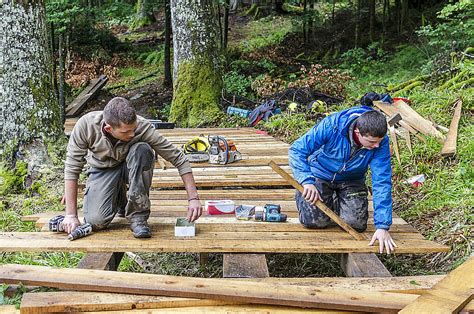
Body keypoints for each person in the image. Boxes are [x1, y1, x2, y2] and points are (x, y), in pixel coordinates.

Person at [62, 97, 202, 238]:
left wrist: (193, 199)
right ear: (108, 128)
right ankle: (121, 200)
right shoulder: (86, 126)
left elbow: (178, 158)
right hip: (103, 170)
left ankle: (138, 216)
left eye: (133, 129)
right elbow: (72, 168)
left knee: (143, 150)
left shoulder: (142, 127)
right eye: (126, 132)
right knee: (96, 221)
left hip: (131, 167)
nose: (132, 134)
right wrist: (71, 215)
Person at [289, 106, 397, 254]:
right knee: (314, 221)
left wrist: (382, 227)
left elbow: (381, 181)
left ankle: (337, 201)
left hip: (352, 179)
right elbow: (297, 149)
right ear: (357, 132)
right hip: (320, 174)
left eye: (379, 142)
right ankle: (326, 198)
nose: (376, 146)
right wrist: (306, 181)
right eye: (372, 142)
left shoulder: (380, 142)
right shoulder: (332, 126)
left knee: (355, 224)